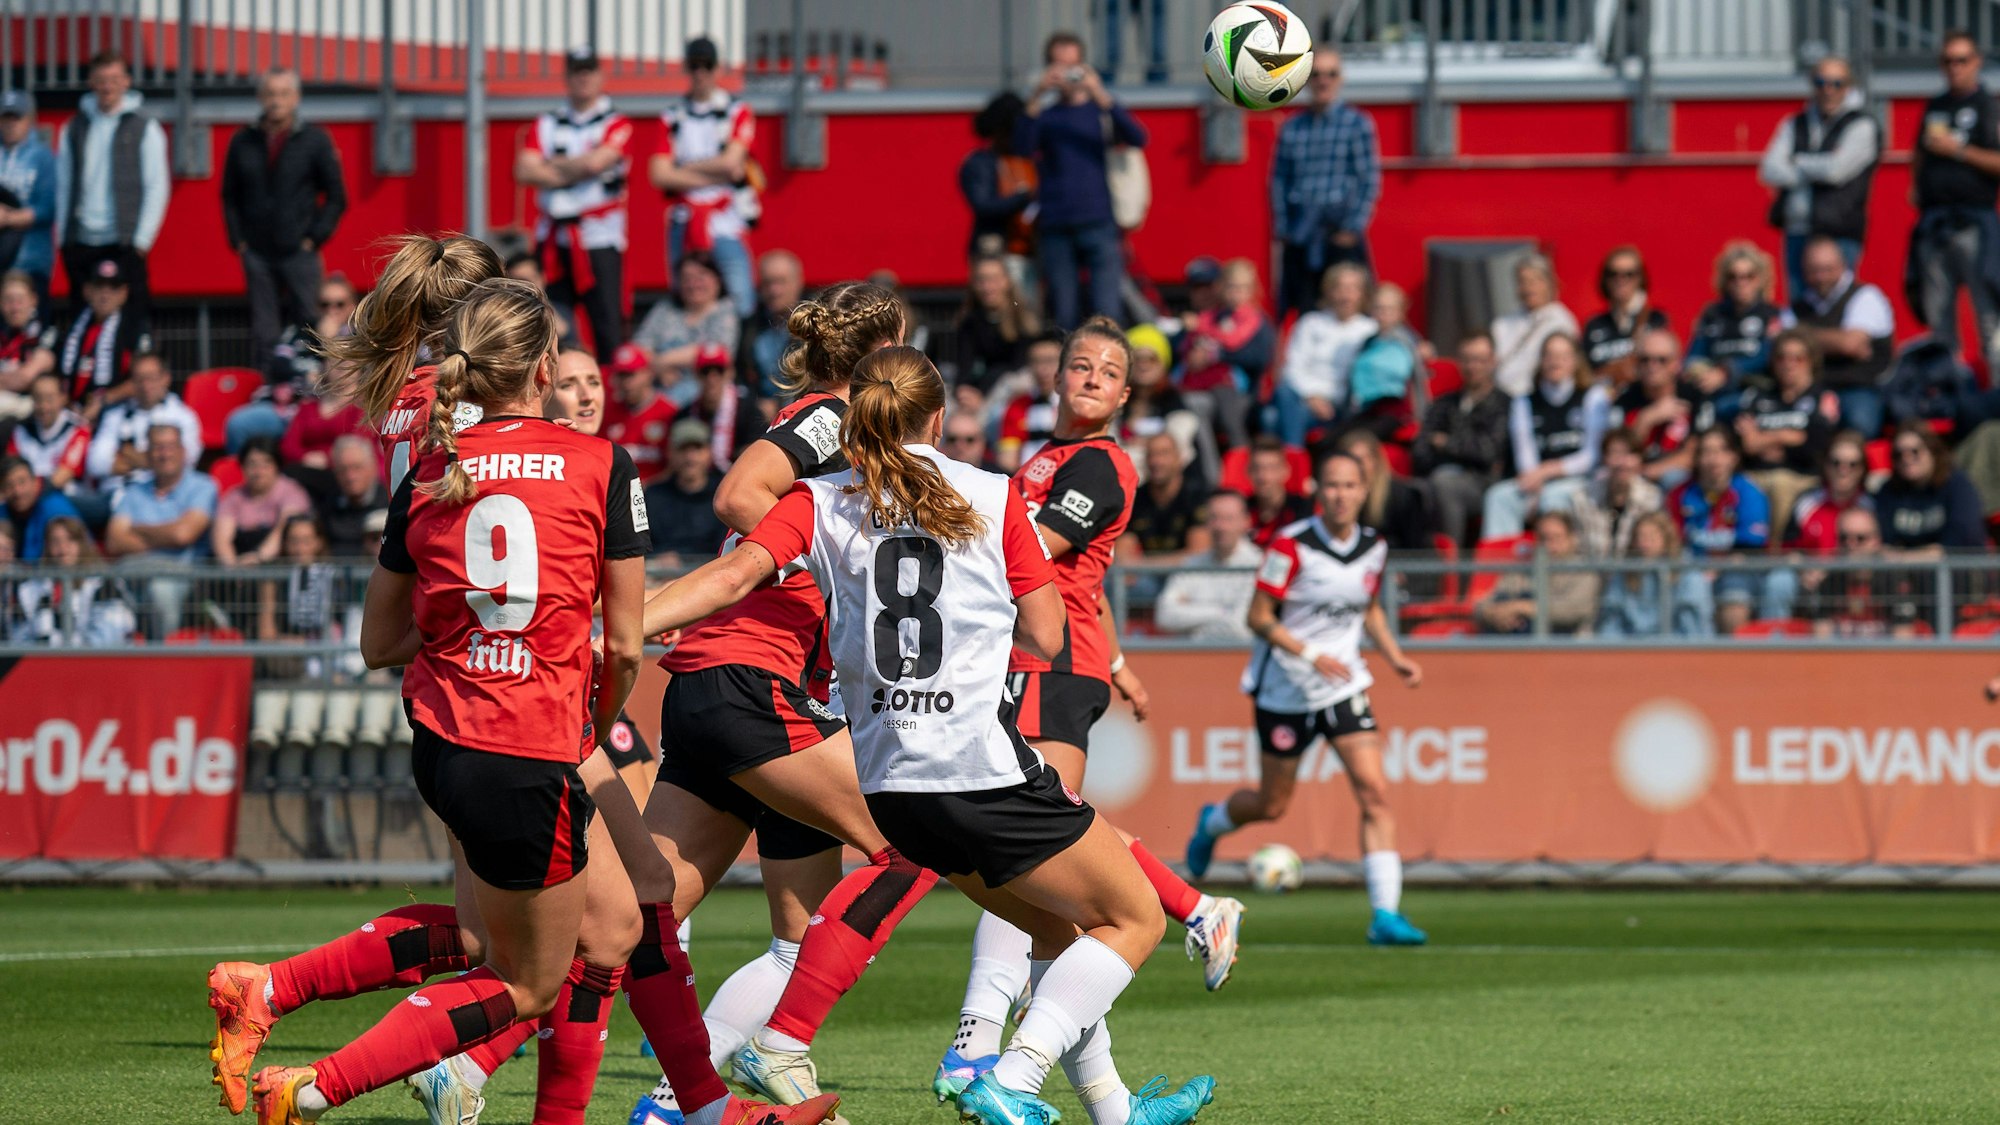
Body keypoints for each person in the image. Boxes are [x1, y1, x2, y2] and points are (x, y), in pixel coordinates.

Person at [641, 344, 1217, 1125]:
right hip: (978, 768)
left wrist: (619, 624)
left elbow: (731, 576)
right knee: (1136, 916)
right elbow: (1047, 637)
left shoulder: (817, 497)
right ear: (939, 417)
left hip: (892, 786)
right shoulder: (992, 492)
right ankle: (1013, 1076)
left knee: (1049, 924)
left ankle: (1114, 1111)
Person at [233, 276, 686, 1125]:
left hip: (444, 742)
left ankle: (288, 1013)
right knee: (528, 983)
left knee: (550, 940)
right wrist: (592, 719)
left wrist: (465, 639)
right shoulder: (600, 461)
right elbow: (624, 643)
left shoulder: (434, 468)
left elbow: (377, 642)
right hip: (532, 746)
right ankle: (310, 1087)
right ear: (545, 368)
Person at [944, 316, 1244, 1089]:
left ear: (1123, 393)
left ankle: (981, 1042)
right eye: (1080, 365)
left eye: (1107, 372)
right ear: (1057, 377)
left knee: (1031, 846)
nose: (1090, 378)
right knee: (1048, 838)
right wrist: (1122, 662)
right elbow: (1091, 583)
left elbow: (1036, 553)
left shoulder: (1101, 466)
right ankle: (1192, 910)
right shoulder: (1045, 458)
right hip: (1042, 656)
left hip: (1048, 663)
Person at [1184, 449, 1426, 946]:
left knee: (1375, 790)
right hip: (1286, 689)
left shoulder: (1374, 547)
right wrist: (1310, 653)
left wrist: (1394, 655)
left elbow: (1371, 609)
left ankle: (1385, 915)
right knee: (1272, 805)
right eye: (1331, 485)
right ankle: (1214, 822)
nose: (1340, 495)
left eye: (1350, 486)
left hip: (1345, 685)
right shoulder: (1290, 546)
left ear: (1364, 491)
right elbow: (1258, 617)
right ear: (1317, 490)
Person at [1018, 30, 1147, 329]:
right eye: (1059, 67)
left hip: (1099, 218)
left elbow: (1138, 137)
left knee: (1107, 312)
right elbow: (1021, 147)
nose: (1067, 75)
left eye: (1073, 66)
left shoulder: (1098, 111)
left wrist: (1099, 92)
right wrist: (1036, 94)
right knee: (1064, 312)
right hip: (1056, 223)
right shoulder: (1046, 115)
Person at [221, 68, 348, 367]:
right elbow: (230, 195)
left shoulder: (314, 139)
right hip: (257, 252)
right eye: (271, 94)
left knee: (312, 320)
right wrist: (238, 240)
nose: (276, 101)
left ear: (295, 98)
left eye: (283, 94)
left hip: (299, 250)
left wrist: (313, 238)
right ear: (260, 97)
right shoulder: (243, 140)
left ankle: (316, 390)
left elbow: (336, 196)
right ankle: (270, 389)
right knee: (264, 328)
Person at [516, 48, 633, 362]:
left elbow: (598, 163)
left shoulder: (615, 121)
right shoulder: (547, 122)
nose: (583, 78)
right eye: (577, 71)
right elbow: (525, 169)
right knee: (550, 320)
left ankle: (610, 392)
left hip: (599, 238)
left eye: (589, 71)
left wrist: (552, 167)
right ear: (566, 77)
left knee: (607, 324)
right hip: (554, 239)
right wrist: (577, 169)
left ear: (600, 76)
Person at [1909, 30, 2000, 375]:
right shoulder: (1937, 105)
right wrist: (1917, 185)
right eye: (1948, 60)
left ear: (1976, 62)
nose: (1954, 68)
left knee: (1989, 315)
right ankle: (1950, 393)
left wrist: (1959, 151)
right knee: (1939, 320)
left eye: (1962, 60)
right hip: (1935, 224)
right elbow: (1919, 152)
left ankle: (1995, 397)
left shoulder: (1987, 106)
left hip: (1975, 223)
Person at [54, 50, 168, 320]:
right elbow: (64, 184)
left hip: (125, 241)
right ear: (91, 82)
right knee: (82, 318)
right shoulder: (73, 128)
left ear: (126, 82)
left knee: (132, 319)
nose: (108, 86)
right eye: (102, 79)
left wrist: (142, 239)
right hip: (81, 241)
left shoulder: (145, 128)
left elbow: (157, 186)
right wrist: (62, 237)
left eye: (114, 79)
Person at [651, 35, 757, 318]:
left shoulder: (736, 110)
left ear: (717, 68)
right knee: (683, 296)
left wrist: (681, 170)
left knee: (741, 297)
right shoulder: (672, 116)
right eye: (695, 65)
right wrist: (716, 172)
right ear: (687, 68)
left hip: (725, 220)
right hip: (685, 219)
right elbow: (659, 174)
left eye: (706, 65)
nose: (700, 72)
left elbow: (733, 161)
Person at [1271, 46, 1380, 318]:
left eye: (1331, 74)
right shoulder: (1292, 126)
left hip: (1339, 233)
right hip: (1301, 234)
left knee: (1355, 310)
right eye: (1316, 74)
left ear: (1340, 79)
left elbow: (1368, 179)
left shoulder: (1357, 123)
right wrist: (1284, 228)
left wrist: (1352, 228)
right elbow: (1278, 181)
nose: (1323, 80)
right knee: (1304, 311)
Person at [1760, 55, 1880, 298]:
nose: (1828, 90)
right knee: (1799, 307)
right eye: (1821, 82)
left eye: (1836, 83)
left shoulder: (1861, 125)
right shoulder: (1796, 123)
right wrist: (1817, 166)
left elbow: (1836, 171)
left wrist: (1798, 160)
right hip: (1797, 229)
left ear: (1848, 86)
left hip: (1838, 232)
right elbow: (1769, 168)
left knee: (1835, 306)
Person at [1482, 333, 1611, 540]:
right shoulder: (1524, 401)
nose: (1555, 362)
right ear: (1541, 360)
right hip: (1537, 481)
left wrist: (1549, 471)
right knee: (1498, 497)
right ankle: (1500, 570)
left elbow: (1592, 456)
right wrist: (1535, 480)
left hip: (1581, 481)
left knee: (1553, 498)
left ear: (1575, 361)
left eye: (1563, 356)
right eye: (1549, 356)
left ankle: (1556, 568)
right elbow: (1524, 450)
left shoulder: (1593, 396)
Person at [1668, 426, 1790, 635]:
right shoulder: (1680, 493)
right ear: (1697, 458)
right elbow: (1672, 541)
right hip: (1692, 569)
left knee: (1734, 599)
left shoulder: (1749, 492)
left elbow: (1751, 545)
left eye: (1721, 451)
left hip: (1738, 568)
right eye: (1706, 451)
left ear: (1733, 457)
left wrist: (1718, 568)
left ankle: (1735, 665)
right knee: (1693, 584)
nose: (1713, 459)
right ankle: (1697, 658)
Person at [103, 423, 215, 634]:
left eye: (170, 446)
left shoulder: (203, 486)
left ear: (183, 451)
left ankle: (161, 659)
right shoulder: (134, 490)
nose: (164, 454)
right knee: (103, 592)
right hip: (131, 571)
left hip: (179, 573)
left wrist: (137, 529)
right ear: (148, 454)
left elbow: (183, 535)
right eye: (157, 447)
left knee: (160, 590)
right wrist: (166, 535)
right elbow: (115, 541)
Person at [1783, 235, 1895, 438]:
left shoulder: (1866, 296)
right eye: (1814, 270)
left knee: (1860, 423)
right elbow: (1782, 343)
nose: (1821, 277)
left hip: (1859, 389)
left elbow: (1850, 344)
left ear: (1843, 265)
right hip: (1813, 389)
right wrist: (1837, 340)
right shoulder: (1798, 307)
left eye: (1827, 269)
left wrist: (1802, 338)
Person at [1736, 329, 1838, 541]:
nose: (1788, 364)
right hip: (1755, 474)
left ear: (1811, 361)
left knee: (1780, 484)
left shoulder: (1823, 397)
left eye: (1798, 358)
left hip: (1802, 478)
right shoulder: (1756, 396)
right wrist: (1789, 437)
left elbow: (1815, 446)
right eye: (1782, 357)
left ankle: (1775, 557)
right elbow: (1746, 445)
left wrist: (1766, 439)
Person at [1414, 333, 1509, 546]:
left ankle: (1450, 567)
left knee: (1444, 484)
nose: (1472, 366)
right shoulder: (1443, 404)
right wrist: (1460, 450)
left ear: (1493, 361)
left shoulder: (1505, 405)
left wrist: (1446, 443)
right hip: (1438, 477)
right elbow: (1420, 452)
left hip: (1486, 484)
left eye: (1480, 360)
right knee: (1412, 490)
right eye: (1466, 359)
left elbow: (1488, 453)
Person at [1276, 263, 1375, 447]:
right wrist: (1312, 396)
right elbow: (1292, 368)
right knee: (1283, 395)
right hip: (1303, 398)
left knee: (1271, 419)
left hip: (1341, 404)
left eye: (1352, 288)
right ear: (1329, 291)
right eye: (1340, 288)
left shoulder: (1369, 329)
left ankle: (1292, 462)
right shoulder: (1310, 323)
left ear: (1362, 294)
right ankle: (1293, 459)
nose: (1345, 295)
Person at [39, 255, 150, 420]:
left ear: (124, 293)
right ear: (87, 290)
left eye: (113, 288)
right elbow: (54, 373)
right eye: (99, 287)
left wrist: (104, 400)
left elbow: (145, 379)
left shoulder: (133, 329)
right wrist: (65, 403)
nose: (105, 295)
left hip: (116, 413)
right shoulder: (71, 325)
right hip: (68, 412)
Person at [1796, 507, 1923, 637]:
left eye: (1860, 538)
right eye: (1844, 538)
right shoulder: (1828, 580)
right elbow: (1821, 640)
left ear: (1876, 541)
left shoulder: (1894, 579)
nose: (1851, 544)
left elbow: (1903, 641)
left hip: (1885, 655)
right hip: (1840, 655)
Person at [10, 513, 135, 645]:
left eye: (70, 540)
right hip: (41, 663)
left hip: (97, 662)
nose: (63, 548)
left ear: (82, 544)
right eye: (55, 541)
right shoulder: (30, 589)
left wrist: (63, 648)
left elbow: (108, 636)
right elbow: (19, 639)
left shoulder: (105, 584)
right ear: (46, 547)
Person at [1153, 491, 1263, 640]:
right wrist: (1222, 612)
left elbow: (1240, 628)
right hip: (1194, 660)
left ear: (1246, 522)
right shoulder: (1191, 564)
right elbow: (1164, 615)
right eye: (1214, 518)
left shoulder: (1258, 564)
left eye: (1229, 519)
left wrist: (1190, 629)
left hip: (1241, 659)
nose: (1221, 527)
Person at [84, 350, 199, 490]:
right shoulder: (115, 415)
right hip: (114, 493)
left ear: (166, 378)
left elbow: (187, 461)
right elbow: (94, 463)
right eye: (139, 379)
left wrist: (134, 458)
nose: (146, 386)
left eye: (151, 378)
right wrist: (153, 461)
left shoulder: (183, 417)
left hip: (160, 495)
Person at [1474, 509, 1601, 635]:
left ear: (1571, 539)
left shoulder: (1583, 572)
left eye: (1556, 537)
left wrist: (1523, 607)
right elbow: (1482, 605)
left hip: (1564, 646)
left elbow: (1574, 611)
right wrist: (1493, 614)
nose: (1549, 545)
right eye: (1543, 538)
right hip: (1515, 645)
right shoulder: (1522, 570)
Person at [632, 251, 740, 397]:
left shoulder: (725, 310)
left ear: (717, 279)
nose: (693, 284)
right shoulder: (665, 309)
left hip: (704, 394)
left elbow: (715, 352)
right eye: (687, 278)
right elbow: (639, 347)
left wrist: (662, 361)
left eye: (701, 276)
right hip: (661, 389)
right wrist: (659, 370)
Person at [1873, 419, 1986, 554]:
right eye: (1899, 454)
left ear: (1932, 451)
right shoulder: (1888, 491)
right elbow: (1885, 544)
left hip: (1953, 572)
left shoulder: (1957, 485)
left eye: (1914, 452)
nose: (1906, 459)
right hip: (1902, 574)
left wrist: (1907, 558)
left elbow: (1961, 541)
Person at [1595, 509, 1712, 637]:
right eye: (1640, 536)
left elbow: (1693, 629)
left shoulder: (1688, 574)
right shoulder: (1623, 574)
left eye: (1652, 536)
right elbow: (1612, 621)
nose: (1644, 543)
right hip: (1630, 650)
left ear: (1667, 538)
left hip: (1675, 650)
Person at [959, 92, 1037, 280]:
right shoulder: (980, 163)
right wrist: (1023, 197)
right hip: (996, 249)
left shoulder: (1025, 161)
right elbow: (983, 204)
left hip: (1027, 249)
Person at [1562, 427, 1664, 560]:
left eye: (1630, 454)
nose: (1622, 463)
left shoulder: (1652, 498)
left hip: (1633, 576)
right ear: (1605, 458)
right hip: (1591, 574)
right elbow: (1577, 550)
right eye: (1615, 453)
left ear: (1640, 459)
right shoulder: (1583, 497)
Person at [1688, 241, 1783, 383]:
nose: (1741, 282)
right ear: (1725, 281)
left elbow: (1768, 355)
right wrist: (1698, 370)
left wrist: (1727, 372)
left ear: (1760, 279)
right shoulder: (1712, 315)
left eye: (1748, 276)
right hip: (1712, 387)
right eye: (1733, 276)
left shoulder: (1773, 315)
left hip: (1756, 390)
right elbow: (1694, 355)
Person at [211, 436, 312, 567]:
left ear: (277, 466)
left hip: (277, 566)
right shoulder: (234, 496)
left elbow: (282, 532)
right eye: (252, 464)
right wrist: (233, 570)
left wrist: (257, 559)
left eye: (266, 463)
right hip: (240, 568)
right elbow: (222, 539)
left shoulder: (292, 492)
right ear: (242, 467)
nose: (258, 471)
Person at [1613, 327, 1696, 484]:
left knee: (1673, 478)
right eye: (1645, 359)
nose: (1652, 366)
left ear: (1676, 364)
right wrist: (1646, 419)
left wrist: (1653, 471)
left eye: (1662, 360)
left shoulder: (1693, 395)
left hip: (1674, 479)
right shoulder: (1625, 398)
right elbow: (1618, 454)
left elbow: (1696, 453)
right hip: (1632, 478)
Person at [1491, 255, 1581, 399]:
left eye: (1535, 280)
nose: (1528, 287)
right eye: (1523, 281)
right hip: (1501, 397)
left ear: (1549, 283)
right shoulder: (1502, 324)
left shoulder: (1561, 321)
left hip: (1538, 399)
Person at [954, 254, 1042, 399]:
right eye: (981, 280)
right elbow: (964, 365)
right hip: (977, 391)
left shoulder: (1022, 320)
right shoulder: (969, 322)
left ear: (1007, 281)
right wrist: (963, 389)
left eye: (993, 279)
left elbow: (1017, 368)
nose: (987, 287)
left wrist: (982, 393)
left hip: (1011, 388)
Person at [1344, 281, 1425, 436]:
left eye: (1389, 309)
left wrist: (1421, 416)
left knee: (1354, 440)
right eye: (1379, 308)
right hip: (1366, 409)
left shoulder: (1406, 340)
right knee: (1328, 440)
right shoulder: (1368, 342)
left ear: (1401, 312)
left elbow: (1417, 382)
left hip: (1394, 411)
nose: (1383, 314)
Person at [1581, 246, 1670, 386]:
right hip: (1604, 401)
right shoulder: (1594, 325)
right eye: (1613, 274)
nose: (1620, 280)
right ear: (1605, 279)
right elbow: (1583, 374)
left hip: (1639, 401)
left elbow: (1667, 368)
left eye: (1629, 274)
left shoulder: (1656, 319)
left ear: (1640, 278)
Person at [1335, 428, 1434, 551]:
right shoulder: (1335, 498)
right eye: (1351, 460)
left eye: (1362, 460)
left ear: (1376, 461)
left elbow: (1416, 549)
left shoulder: (1403, 497)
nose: (1357, 466)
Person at [643, 418, 726, 563]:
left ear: (709, 452)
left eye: (697, 449)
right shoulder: (653, 495)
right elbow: (642, 545)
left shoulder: (724, 495)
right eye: (682, 449)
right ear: (670, 452)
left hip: (712, 576)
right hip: (658, 576)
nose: (690, 458)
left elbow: (726, 547)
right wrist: (658, 559)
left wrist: (682, 558)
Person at [1119, 431, 1211, 561]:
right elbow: (1123, 555)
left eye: (1164, 453)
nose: (1156, 461)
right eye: (1151, 455)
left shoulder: (1196, 495)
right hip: (1146, 577)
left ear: (1179, 458)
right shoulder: (1136, 498)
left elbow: (1198, 555)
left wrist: (1143, 565)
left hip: (1189, 577)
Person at [0, 91, 57, 298]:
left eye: (17, 117)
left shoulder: (43, 157)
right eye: (6, 118)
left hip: (31, 259)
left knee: (33, 327)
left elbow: (49, 208)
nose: (11, 124)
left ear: (30, 120)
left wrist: (7, 218)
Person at [601, 341, 679, 483]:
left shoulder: (668, 412)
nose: (625, 382)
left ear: (648, 373)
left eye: (630, 375)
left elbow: (676, 465)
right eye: (621, 375)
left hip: (656, 494)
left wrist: (649, 488)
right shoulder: (606, 413)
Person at [1785, 430, 1874, 553]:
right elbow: (1787, 550)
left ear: (1863, 469)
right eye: (1836, 463)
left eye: (1853, 464)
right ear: (1825, 465)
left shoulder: (1873, 506)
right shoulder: (1806, 502)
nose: (1843, 470)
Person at [684, 343, 764, 471]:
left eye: (719, 370)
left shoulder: (748, 410)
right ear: (696, 375)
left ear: (730, 373)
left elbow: (758, 454)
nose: (711, 378)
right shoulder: (686, 414)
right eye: (705, 371)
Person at [8, 371, 90, 492]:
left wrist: (27, 493)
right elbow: (11, 471)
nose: (44, 406)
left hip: (63, 497)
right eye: (38, 399)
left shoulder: (78, 429)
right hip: (24, 497)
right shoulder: (20, 430)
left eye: (49, 399)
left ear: (63, 398)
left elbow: (62, 476)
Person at [995, 330, 1065, 472]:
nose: (1042, 369)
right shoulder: (1017, 406)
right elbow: (1007, 460)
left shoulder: (1073, 404)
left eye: (1050, 361)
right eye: (1036, 361)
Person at [741, 248, 805, 400]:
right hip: (759, 412)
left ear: (798, 282)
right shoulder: (749, 327)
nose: (774, 290)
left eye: (781, 282)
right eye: (768, 283)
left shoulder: (814, 327)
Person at [317, 434, 388, 558]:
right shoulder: (328, 507)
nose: (350, 477)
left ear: (373, 467)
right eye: (343, 470)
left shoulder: (391, 504)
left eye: (357, 468)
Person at [2, 453, 82, 561]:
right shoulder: (4, 511)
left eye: (22, 482)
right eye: (9, 485)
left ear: (35, 482)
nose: (17, 492)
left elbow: (80, 557)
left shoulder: (55, 509)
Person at [1246, 435, 1313, 546]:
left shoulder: (1304, 509)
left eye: (1272, 468)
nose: (1264, 477)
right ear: (1248, 472)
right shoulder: (1241, 510)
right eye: (1257, 468)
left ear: (1286, 471)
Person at [0, 270, 48, 396]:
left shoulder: (46, 334)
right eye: (8, 300)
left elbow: (23, 380)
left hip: (31, 405)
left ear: (33, 300)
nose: (15, 307)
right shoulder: (3, 334)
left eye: (20, 300)